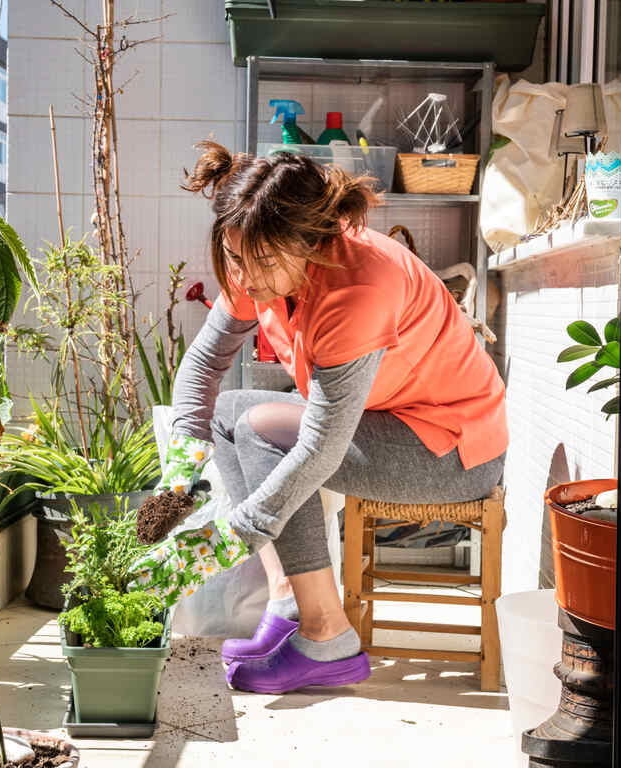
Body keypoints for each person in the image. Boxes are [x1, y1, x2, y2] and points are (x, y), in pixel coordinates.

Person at [132, 142, 508, 694]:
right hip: (385, 425)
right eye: (234, 259)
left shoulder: (357, 289)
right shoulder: (256, 253)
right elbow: (204, 364)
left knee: (260, 427)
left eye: (258, 264)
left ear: (311, 244)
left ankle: (326, 634)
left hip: (450, 449)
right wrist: (177, 480)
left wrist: (228, 538)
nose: (244, 276)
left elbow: (319, 448)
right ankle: (288, 601)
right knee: (229, 414)